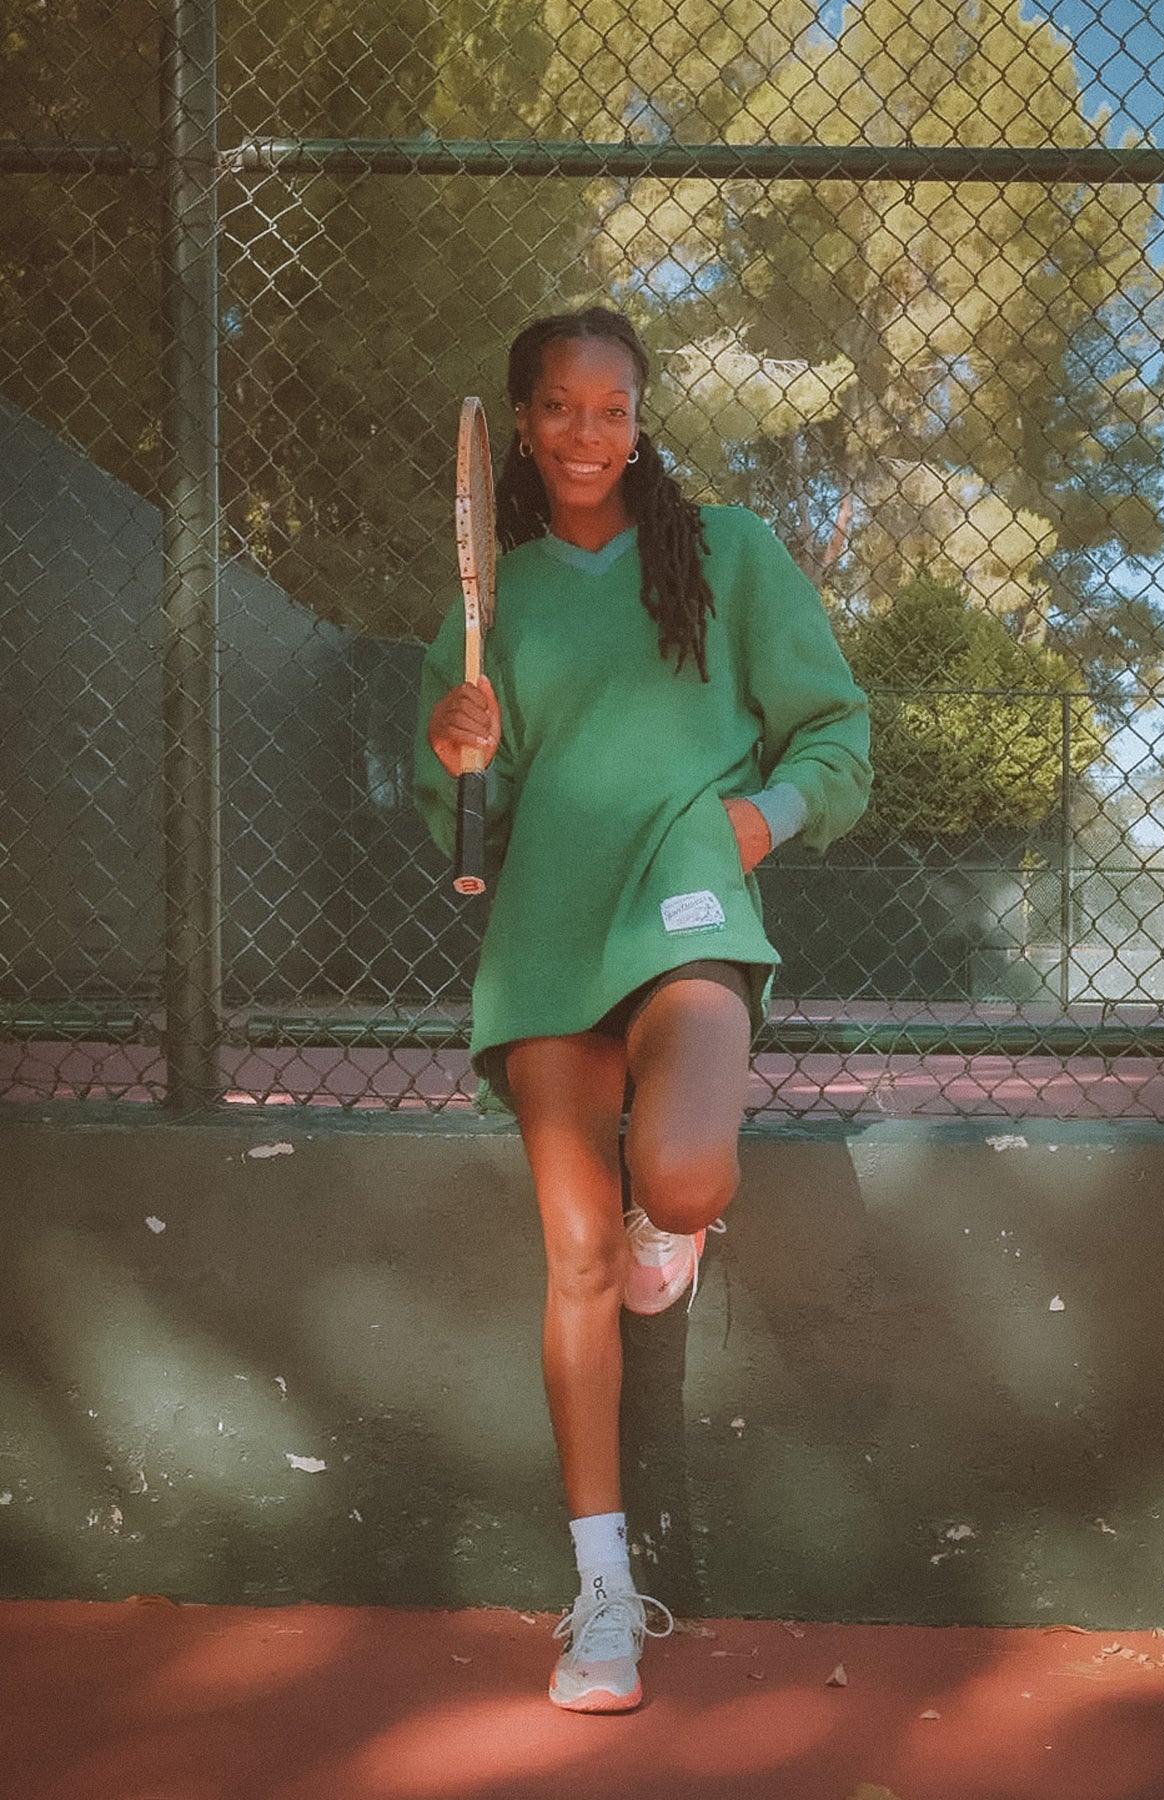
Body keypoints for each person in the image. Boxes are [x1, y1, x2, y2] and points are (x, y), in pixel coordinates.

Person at [416, 305, 871, 1713]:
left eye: (615, 410)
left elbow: (840, 735)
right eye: (561, 409)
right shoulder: (487, 605)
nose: (589, 437)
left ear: (644, 418)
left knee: (677, 1171)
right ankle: (603, 1599)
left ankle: (671, 1226)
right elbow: (455, 823)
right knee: (572, 1263)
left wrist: (766, 816)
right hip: (546, 942)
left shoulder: (726, 554)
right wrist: (455, 752)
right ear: (525, 419)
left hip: (687, 905)